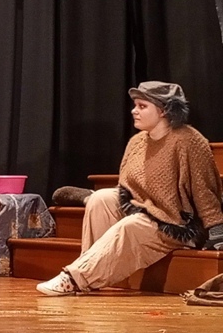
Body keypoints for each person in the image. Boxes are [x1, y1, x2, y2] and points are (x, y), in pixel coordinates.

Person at [37, 81, 223, 296]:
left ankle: (74, 278)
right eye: (135, 105)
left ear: (164, 110)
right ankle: (90, 269)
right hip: (144, 210)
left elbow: (205, 190)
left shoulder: (190, 142)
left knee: (132, 225)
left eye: (142, 106)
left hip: (176, 224)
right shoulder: (137, 142)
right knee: (101, 199)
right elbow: (126, 187)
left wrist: (217, 232)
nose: (134, 111)